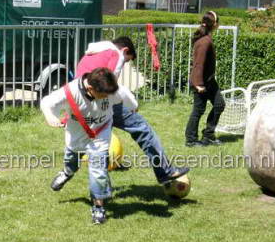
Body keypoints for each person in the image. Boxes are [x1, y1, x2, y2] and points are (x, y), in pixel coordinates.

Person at [75, 36, 189, 185]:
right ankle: (166, 172)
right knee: (143, 130)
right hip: (102, 102)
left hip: (82, 104)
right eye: (127, 61)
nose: (124, 64)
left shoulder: (91, 53)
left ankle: (70, 170)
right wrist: (132, 105)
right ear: (125, 50)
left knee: (97, 140)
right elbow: (112, 88)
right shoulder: (116, 54)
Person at [40, 67, 138, 225]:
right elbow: (46, 102)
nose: (108, 97)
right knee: (71, 160)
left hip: (100, 133)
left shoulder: (111, 89)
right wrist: (50, 116)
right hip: (76, 136)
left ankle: (98, 207)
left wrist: (133, 106)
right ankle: (67, 173)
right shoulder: (69, 92)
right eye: (104, 95)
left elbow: (127, 97)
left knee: (98, 170)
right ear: (91, 88)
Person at [185, 11, 226, 147]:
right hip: (200, 82)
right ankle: (191, 140)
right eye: (218, 22)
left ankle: (208, 135)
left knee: (219, 104)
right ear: (214, 24)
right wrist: (198, 84)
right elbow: (198, 64)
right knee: (198, 110)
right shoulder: (205, 42)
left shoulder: (206, 38)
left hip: (209, 81)